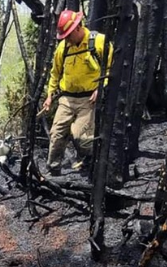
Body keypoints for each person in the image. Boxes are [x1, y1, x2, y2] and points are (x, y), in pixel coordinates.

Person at [42, 10, 112, 176]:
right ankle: (53, 169)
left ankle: (91, 161)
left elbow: (111, 69)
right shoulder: (63, 47)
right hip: (67, 98)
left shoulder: (100, 42)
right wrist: (50, 94)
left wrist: (101, 87)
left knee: (81, 137)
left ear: (78, 28)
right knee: (56, 133)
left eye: (68, 35)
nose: (66, 39)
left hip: (89, 99)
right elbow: (55, 73)